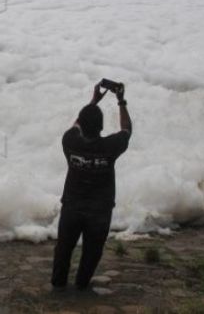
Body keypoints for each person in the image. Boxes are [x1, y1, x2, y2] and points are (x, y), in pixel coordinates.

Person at [51, 82, 132, 291]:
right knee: (92, 251)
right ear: (101, 127)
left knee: (64, 248)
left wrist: (93, 101)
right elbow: (126, 130)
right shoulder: (110, 147)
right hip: (99, 210)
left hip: (72, 206)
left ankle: (58, 285)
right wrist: (121, 101)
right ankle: (81, 285)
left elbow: (76, 124)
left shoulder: (69, 142)